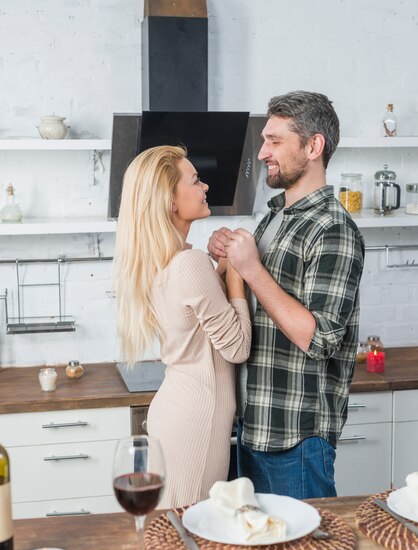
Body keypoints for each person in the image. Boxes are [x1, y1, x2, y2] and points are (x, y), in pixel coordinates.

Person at [208, 91, 365, 499]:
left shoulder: (334, 228)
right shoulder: (275, 216)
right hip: (253, 426)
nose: (262, 153)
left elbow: (321, 339)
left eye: (275, 141)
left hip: (297, 438)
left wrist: (251, 269)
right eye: (264, 140)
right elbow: (249, 308)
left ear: (314, 146)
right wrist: (224, 262)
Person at [114, 145, 251, 509]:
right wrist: (239, 270)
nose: (205, 186)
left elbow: (199, 324)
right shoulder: (189, 262)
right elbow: (236, 347)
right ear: (171, 202)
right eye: (195, 180)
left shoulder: (167, 261)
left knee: (175, 532)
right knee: (187, 532)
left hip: (179, 413)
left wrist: (220, 268)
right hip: (196, 423)